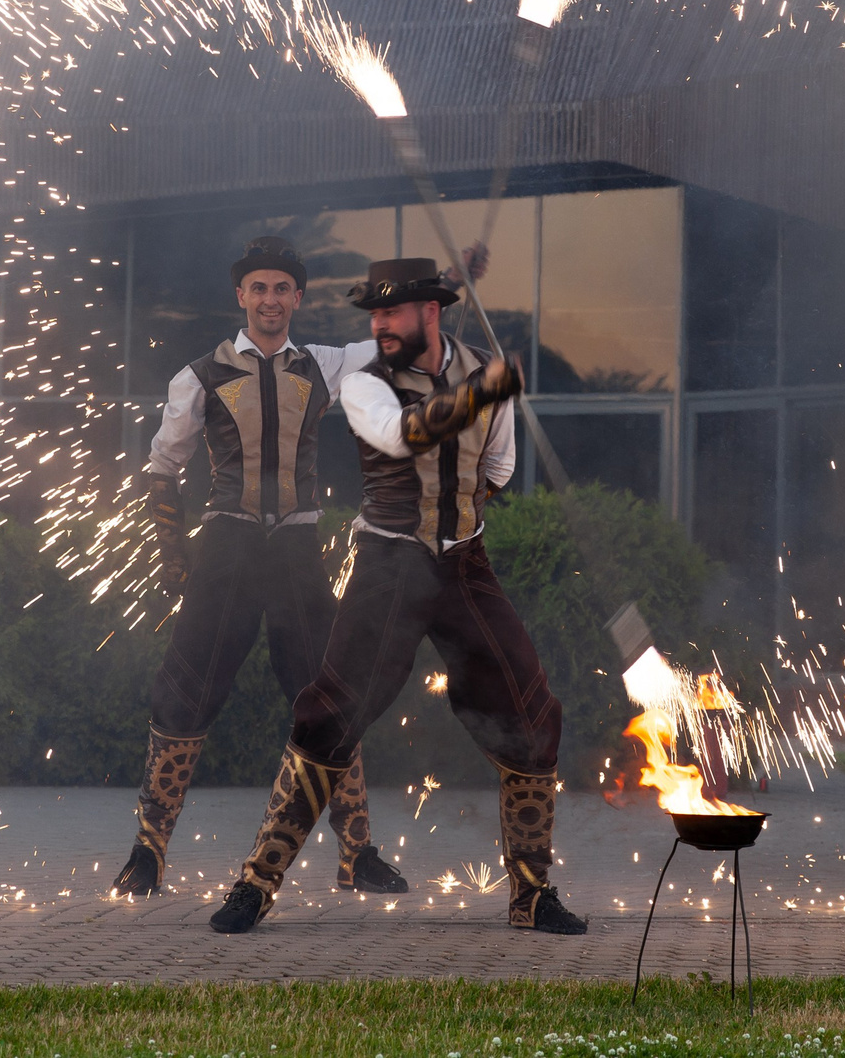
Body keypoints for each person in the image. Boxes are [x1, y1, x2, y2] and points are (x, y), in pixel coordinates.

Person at [209, 256, 586, 936]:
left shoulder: (480, 370)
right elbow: (400, 434)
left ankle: (532, 894)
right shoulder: (365, 383)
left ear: (430, 314)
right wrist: (482, 392)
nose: (378, 325)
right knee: (327, 715)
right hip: (387, 564)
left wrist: (460, 511)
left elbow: (495, 464)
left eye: (391, 313)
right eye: (374, 314)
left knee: (532, 715)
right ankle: (257, 883)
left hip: (463, 564)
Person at [111, 236, 409, 899]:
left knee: (331, 697)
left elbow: (394, 340)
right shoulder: (198, 375)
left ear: (297, 298)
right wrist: (171, 550)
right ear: (241, 296)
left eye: (282, 288)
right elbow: (162, 467)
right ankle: (148, 851)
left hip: (298, 552)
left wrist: (440, 284)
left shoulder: (325, 364)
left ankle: (357, 852)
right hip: (228, 548)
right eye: (259, 287)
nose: (270, 299)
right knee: (184, 691)